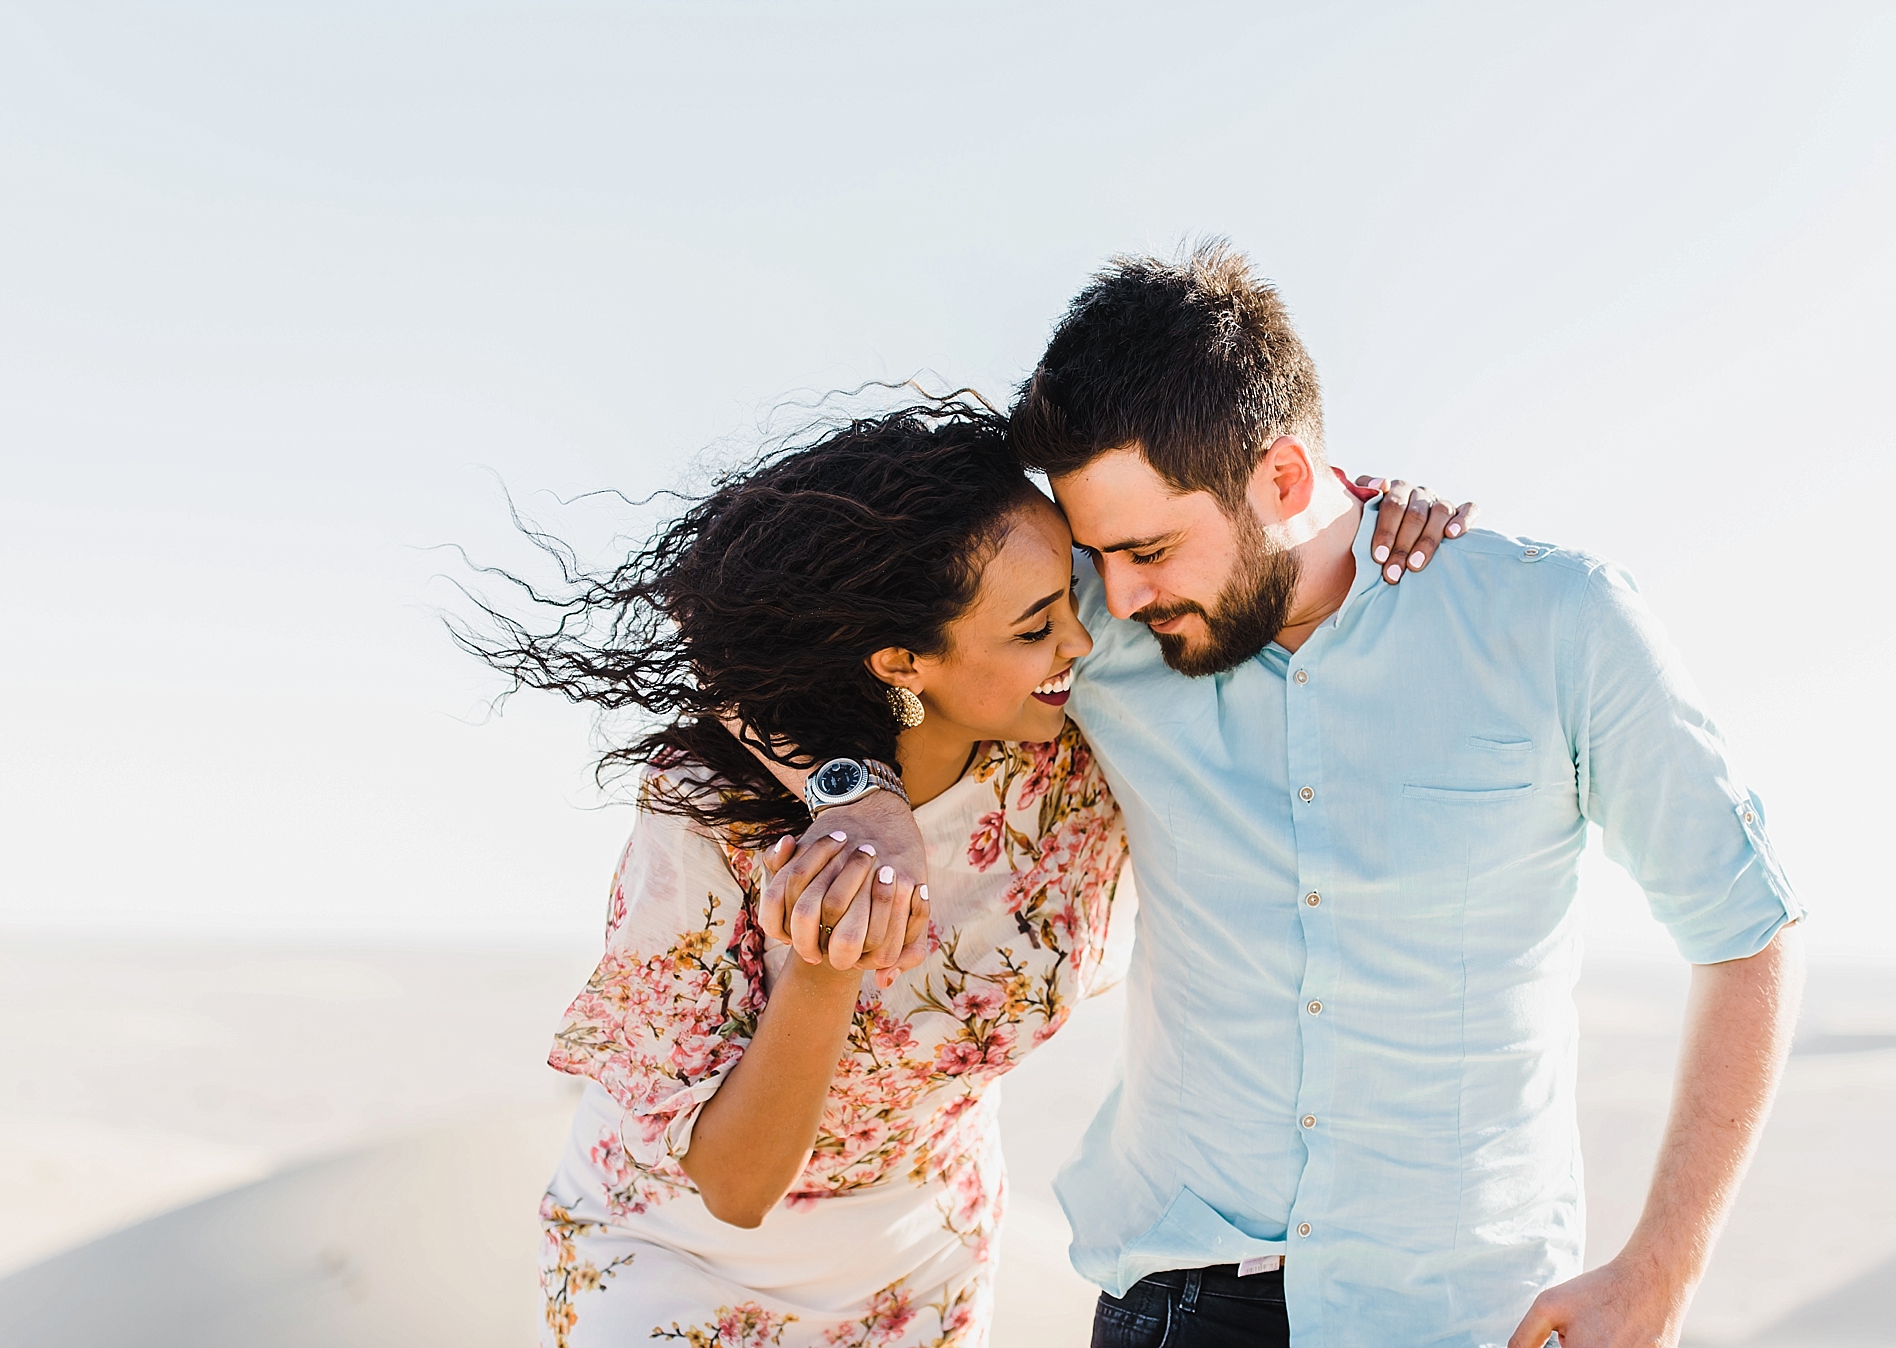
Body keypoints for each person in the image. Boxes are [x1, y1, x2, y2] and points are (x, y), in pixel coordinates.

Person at [761, 243, 1806, 1348]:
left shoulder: (1555, 624)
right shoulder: (1094, 626)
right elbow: (774, 635)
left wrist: (1662, 1268)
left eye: (1151, 548)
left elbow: (1746, 931)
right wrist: (855, 787)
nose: (1115, 595)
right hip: (1178, 1303)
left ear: (1287, 480)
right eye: (1097, 551)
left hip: (1468, 1317)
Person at [459, 398, 1459, 1347]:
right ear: (900, 661)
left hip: (923, 1263)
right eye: (1034, 628)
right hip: (679, 1258)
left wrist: (1342, 518)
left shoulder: (1069, 747)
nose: (1083, 638)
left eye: (1066, 594)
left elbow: (1241, 581)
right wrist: (830, 929)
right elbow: (736, 1184)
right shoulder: (709, 809)